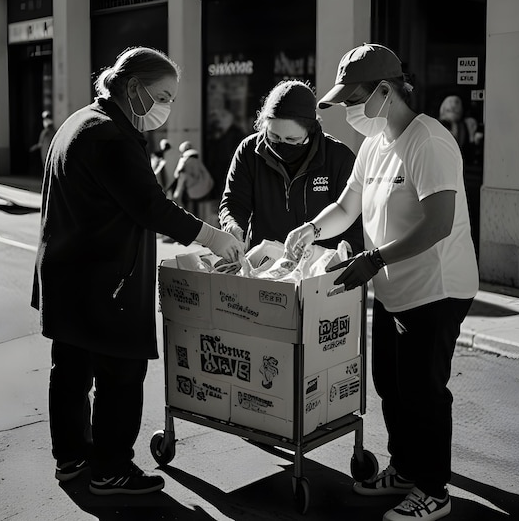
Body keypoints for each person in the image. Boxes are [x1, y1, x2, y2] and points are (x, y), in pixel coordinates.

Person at [30, 46, 243, 497]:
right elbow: (150, 206)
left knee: (69, 374)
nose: (166, 107)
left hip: (68, 276)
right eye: (162, 95)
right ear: (133, 88)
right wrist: (212, 237)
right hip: (106, 284)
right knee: (120, 377)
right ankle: (112, 469)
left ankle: (71, 460)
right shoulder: (110, 136)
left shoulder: (79, 122)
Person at [284, 44, 478, 521]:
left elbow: (437, 223)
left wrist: (373, 259)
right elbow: (347, 208)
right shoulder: (373, 145)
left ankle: (434, 490)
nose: (349, 111)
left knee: (423, 390)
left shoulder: (427, 141)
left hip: (436, 288)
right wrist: (312, 228)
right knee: (391, 384)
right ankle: (406, 469)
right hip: (392, 286)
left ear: (387, 92)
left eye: (355, 100)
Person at [219, 79, 363, 254]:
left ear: (310, 131)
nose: (281, 145)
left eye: (291, 140)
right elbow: (234, 203)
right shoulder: (249, 151)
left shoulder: (339, 158)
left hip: (318, 269)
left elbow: (355, 223)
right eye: (274, 137)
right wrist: (232, 226)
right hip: (262, 266)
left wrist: (341, 255)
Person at [171, 140, 214, 217]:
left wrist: (176, 196)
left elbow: (177, 174)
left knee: (191, 215)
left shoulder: (183, 161)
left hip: (192, 193)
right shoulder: (197, 160)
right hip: (205, 191)